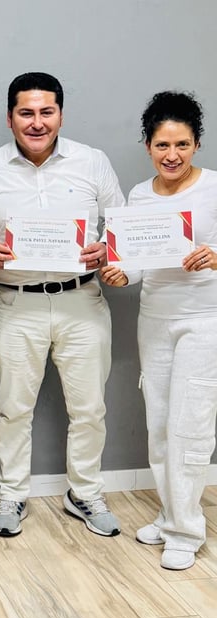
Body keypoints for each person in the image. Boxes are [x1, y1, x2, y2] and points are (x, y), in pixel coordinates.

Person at [0, 72, 126, 538]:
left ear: (60, 114)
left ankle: (85, 494)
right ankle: (12, 495)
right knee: (13, 407)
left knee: (89, 408)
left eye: (46, 112)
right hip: (16, 304)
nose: (37, 123)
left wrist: (105, 249)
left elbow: (118, 225)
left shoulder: (92, 162)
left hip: (83, 300)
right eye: (26, 113)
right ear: (10, 116)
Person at [100, 91, 217, 570]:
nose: (173, 155)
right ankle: (172, 514)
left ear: (197, 145)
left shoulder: (214, 188)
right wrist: (121, 273)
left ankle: (186, 531)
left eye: (183, 145)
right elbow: (141, 264)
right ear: (148, 145)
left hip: (204, 319)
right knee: (161, 423)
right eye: (163, 145)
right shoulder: (140, 195)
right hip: (156, 320)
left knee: (192, 425)